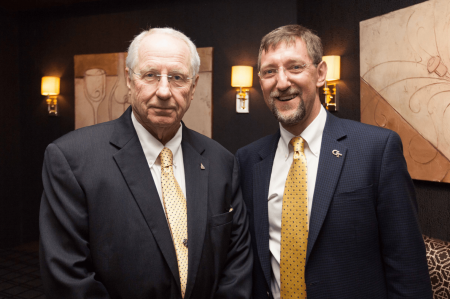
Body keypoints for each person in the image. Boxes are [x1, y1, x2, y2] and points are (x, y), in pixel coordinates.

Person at [39, 27, 252, 299]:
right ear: (129, 80)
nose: (164, 91)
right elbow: (68, 278)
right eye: (150, 75)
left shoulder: (221, 161)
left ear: (194, 86)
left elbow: (237, 265)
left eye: (177, 78)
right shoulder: (71, 158)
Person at [235, 24, 432, 299]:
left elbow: (407, 266)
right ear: (261, 81)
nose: (281, 82)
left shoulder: (376, 148)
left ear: (320, 73)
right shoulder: (247, 160)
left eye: (295, 67)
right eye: (270, 71)